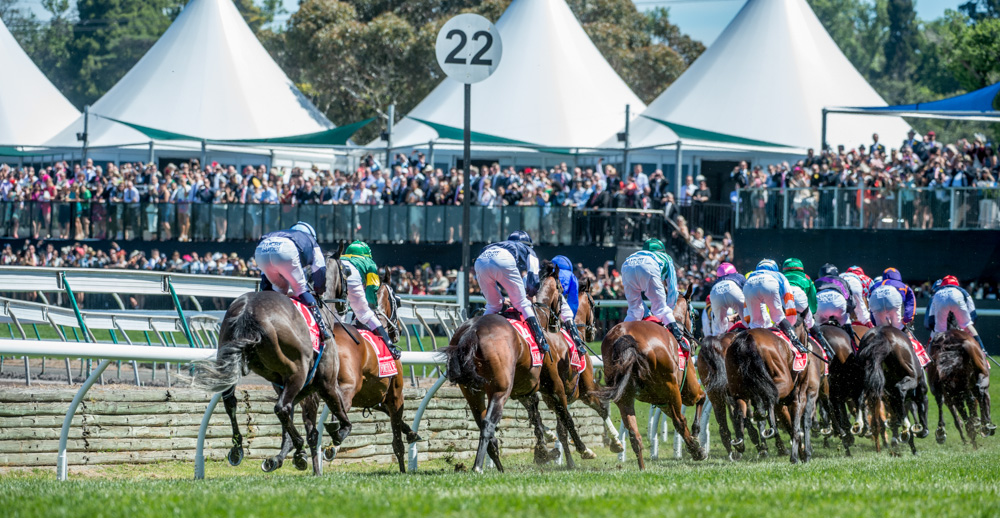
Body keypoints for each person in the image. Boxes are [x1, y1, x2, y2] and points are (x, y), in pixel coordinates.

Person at [255, 221, 332, 341]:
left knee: (279, 290)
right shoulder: (310, 240)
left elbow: (265, 280)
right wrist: (319, 289)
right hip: (286, 251)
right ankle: (322, 328)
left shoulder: (282, 233)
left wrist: (266, 289)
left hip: (261, 249)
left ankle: (259, 320)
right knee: (300, 290)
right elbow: (319, 270)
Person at [475, 230, 549, 353]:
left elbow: (485, 290)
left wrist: (501, 300)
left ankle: (476, 336)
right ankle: (540, 339)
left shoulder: (497, 244)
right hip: (503, 259)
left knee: (493, 305)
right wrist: (531, 294)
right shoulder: (528, 249)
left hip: (480, 260)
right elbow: (533, 278)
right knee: (522, 303)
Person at [620, 238, 688, 350]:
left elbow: (639, 305)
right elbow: (672, 289)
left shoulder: (636, 254)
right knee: (661, 309)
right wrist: (668, 312)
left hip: (627, 264)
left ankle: (621, 338)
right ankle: (679, 340)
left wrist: (646, 313)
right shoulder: (666, 257)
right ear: (661, 250)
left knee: (634, 311)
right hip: (648, 265)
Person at [341, 240, 401, 359]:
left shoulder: (340, 259)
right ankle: (391, 348)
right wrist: (371, 307)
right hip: (353, 282)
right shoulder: (369, 263)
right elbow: (372, 288)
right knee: (367, 315)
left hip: (333, 276)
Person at [743, 259, 806, 352]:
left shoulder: (751, 276)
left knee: (756, 323)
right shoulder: (779, 275)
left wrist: (748, 321)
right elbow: (789, 298)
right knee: (778, 317)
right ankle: (797, 343)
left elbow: (746, 306)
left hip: (749, 285)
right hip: (769, 283)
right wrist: (790, 321)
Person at [925, 275, 984, 352]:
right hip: (957, 302)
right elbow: (972, 313)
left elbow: (929, 321)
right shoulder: (960, 290)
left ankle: (929, 356)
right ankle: (982, 349)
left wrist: (933, 327)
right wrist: (970, 323)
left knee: (938, 331)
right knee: (967, 324)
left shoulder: (936, 294)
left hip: (941, 302)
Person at [813, 263, 857, 351]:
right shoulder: (842, 281)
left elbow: (811, 301)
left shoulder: (816, 282)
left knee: (816, 326)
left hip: (821, 303)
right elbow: (851, 301)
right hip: (838, 302)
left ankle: (819, 347)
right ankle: (854, 346)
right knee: (845, 321)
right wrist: (846, 313)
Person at [551, 255, 589, 355]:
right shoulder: (571, 276)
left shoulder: (545, 271)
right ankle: (578, 343)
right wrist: (570, 317)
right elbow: (573, 301)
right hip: (557, 298)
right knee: (568, 313)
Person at [704, 262, 745, 337]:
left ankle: (715, 345)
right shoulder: (738, 276)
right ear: (735, 273)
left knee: (719, 330)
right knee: (747, 319)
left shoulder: (715, 282)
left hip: (715, 291)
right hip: (733, 288)